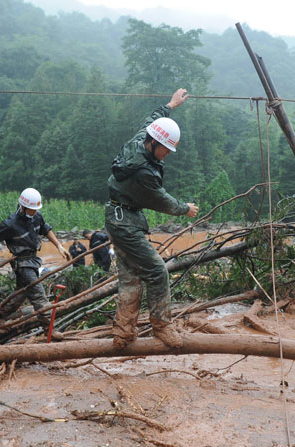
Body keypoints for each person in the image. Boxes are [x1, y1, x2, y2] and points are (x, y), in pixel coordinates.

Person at [105, 88, 199, 349]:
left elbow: (152, 119)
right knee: (157, 271)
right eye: (166, 150)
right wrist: (185, 209)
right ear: (153, 144)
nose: (167, 155)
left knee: (131, 279)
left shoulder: (140, 140)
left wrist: (171, 104)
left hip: (118, 216)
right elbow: (160, 200)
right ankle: (162, 326)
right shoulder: (143, 172)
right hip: (125, 223)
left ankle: (123, 334)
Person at [0, 188, 71, 340]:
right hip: (22, 263)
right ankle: (50, 328)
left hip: (33, 260)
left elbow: (46, 230)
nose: (34, 212)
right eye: (31, 210)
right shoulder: (10, 224)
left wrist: (59, 246)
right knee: (38, 294)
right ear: (23, 207)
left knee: (20, 294)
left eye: (35, 210)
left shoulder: (37, 217)